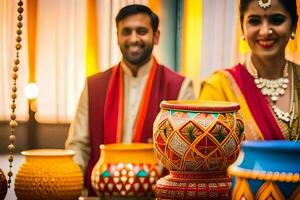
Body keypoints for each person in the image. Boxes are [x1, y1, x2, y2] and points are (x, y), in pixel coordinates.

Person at [65, 4, 195, 195]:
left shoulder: (180, 87)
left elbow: (184, 153)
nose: (134, 39)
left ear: (156, 36)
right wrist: (70, 186)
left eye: (141, 31)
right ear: (117, 37)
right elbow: (78, 145)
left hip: (156, 196)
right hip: (101, 195)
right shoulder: (93, 86)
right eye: (126, 32)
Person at [199, 0, 299, 141]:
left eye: (276, 20)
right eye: (254, 21)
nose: (265, 31)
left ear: (294, 25)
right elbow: (204, 153)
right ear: (242, 26)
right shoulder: (219, 88)